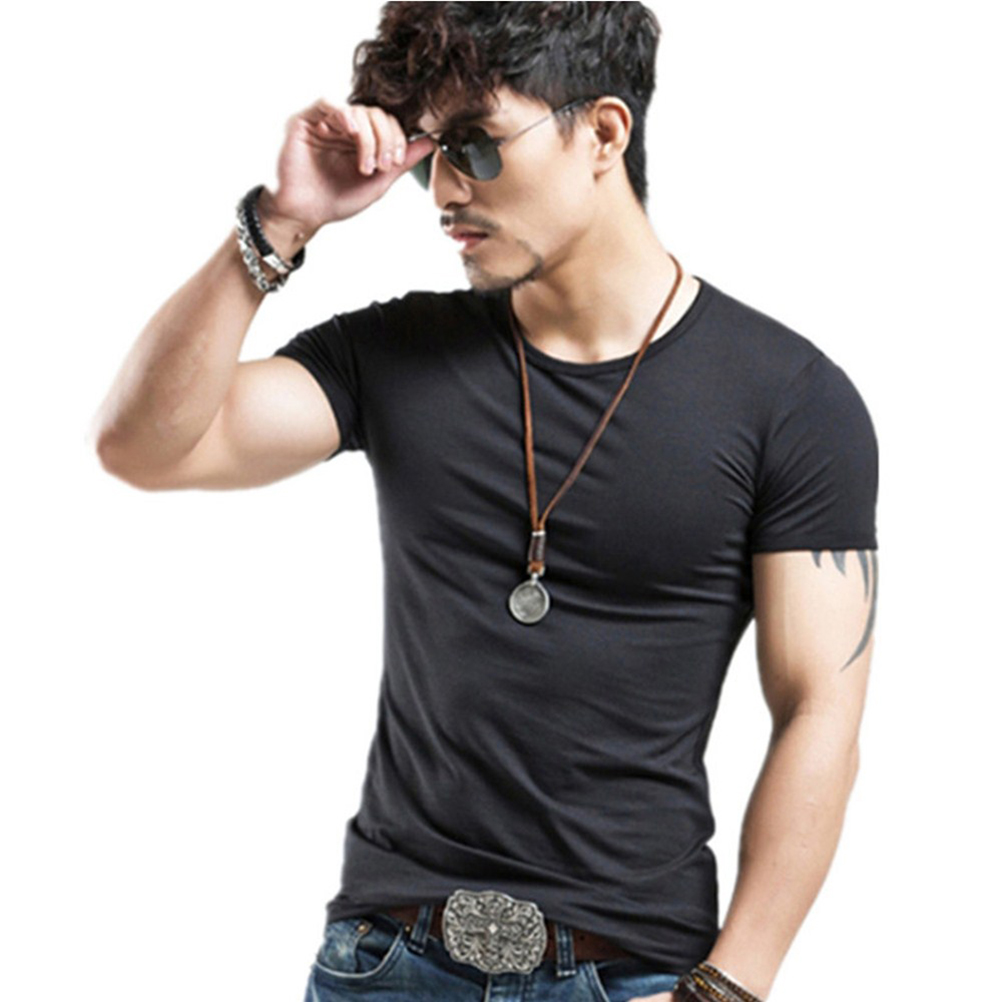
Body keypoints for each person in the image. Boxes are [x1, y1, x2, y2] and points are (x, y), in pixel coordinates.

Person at [90, 4, 879, 1001]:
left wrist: (727, 988)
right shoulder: (396, 353)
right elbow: (144, 446)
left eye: (475, 144)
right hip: (387, 962)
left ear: (603, 133)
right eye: (428, 155)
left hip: (633, 973)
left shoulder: (789, 401)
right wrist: (279, 224)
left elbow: (819, 711)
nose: (444, 191)